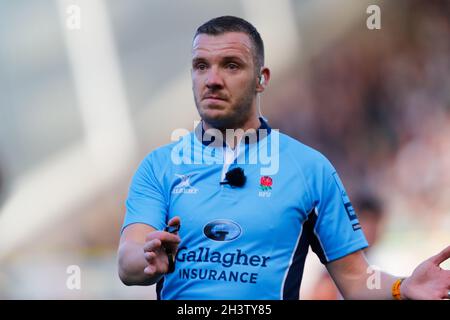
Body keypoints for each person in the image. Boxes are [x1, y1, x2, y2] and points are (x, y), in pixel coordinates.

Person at [118, 16, 450, 300]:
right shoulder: (159, 166)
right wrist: (147, 259)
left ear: (262, 79)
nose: (212, 80)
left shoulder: (309, 168)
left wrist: (402, 287)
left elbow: (355, 278)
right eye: (201, 66)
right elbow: (128, 260)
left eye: (231, 65)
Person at [308, 193, 385, 300]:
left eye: (376, 224)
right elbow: (321, 294)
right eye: (367, 222)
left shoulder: (375, 262)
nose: (372, 230)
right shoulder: (338, 262)